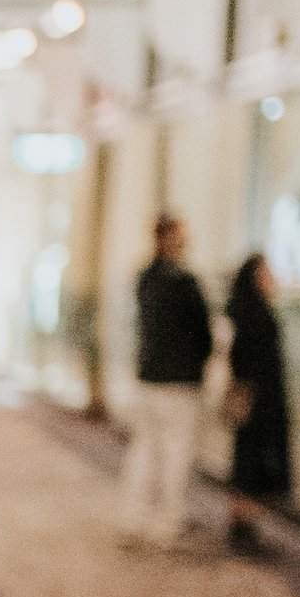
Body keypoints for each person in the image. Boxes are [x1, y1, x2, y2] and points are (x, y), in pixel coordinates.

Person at [120, 210, 214, 548]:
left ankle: (134, 518)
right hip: (179, 383)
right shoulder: (185, 283)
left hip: (150, 379)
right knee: (175, 453)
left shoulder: (145, 279)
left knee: (145, 450)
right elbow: (203, 334)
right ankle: (167, 521)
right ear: (170, 238)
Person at [225, 248, 293, 554]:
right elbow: (245, 356)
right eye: (266, 272)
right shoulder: (252, 311)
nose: (272, 278)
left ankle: (244, 520)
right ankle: (241, 521)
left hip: (258, 396)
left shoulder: (248, 308)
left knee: (250, 455)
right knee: (252, 456)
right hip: (256, 397)